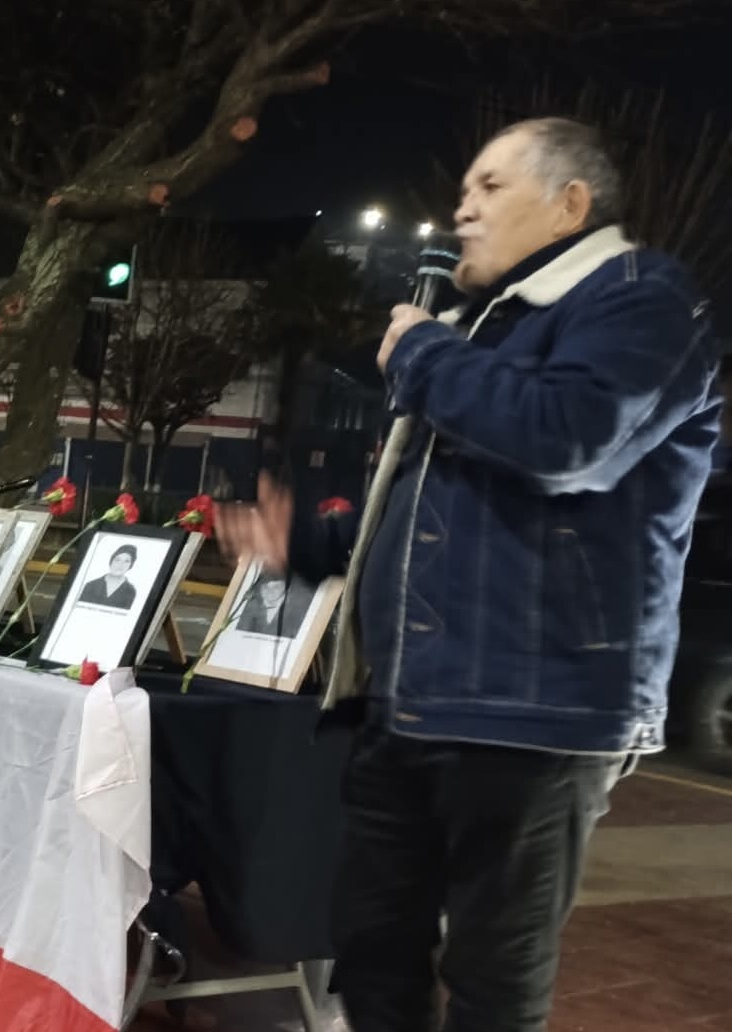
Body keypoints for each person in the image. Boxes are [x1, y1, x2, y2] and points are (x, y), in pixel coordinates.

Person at [215, 117, 721, 1032]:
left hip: (534, 715)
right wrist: (310, 548)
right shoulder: (481, 329)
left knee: (492, 982)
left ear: (571, 204)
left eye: (491, 186)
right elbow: (440, 516)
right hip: (409, 706)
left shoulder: (642, 300)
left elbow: (565, 441)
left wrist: (418, 351)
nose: (462, 206)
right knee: (371, 958)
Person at [236, 572, 310, 638]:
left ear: (287, 587)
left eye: (276, 587)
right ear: (260, 588)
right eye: (265, 586)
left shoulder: (298, 611)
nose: (270, 590)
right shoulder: (249, 608)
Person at [78, 544, 138, 610]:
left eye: (126, 561)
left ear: (131, 565)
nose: (120, 564)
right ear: (111, 561)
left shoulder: (130, 591)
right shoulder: (91, 585)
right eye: (117, 560)